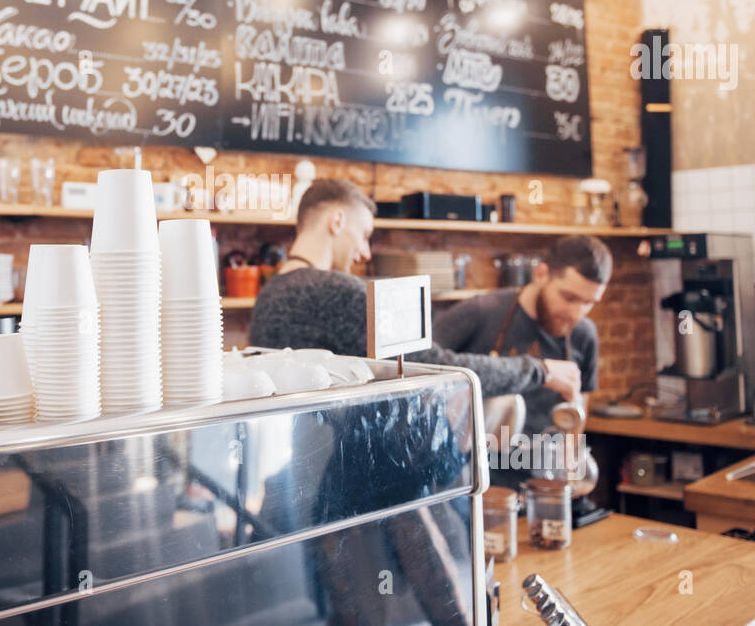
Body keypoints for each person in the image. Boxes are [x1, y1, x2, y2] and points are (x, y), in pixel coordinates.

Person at [249, 179, 581, 398]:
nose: (365, 253)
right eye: (364, 234)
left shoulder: (267, 296)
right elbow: (436, 369)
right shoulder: (340, 291)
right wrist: (539, 369)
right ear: (337, 221)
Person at [433, 234, 611, 439]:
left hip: (542, 463)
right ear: (541, 274)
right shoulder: (481, 311)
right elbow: (424, 365)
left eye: (589, 303)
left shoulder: (584, 333)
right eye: (568, 297)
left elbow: (578, 413)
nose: (576, 314)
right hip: (480, 461)